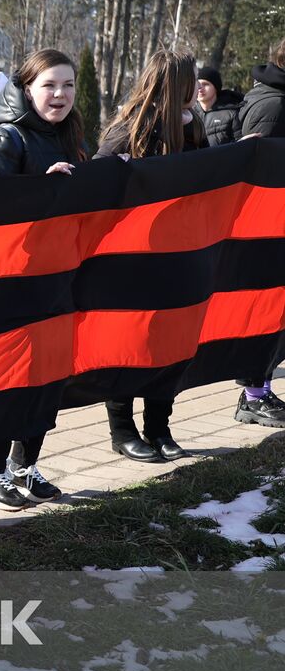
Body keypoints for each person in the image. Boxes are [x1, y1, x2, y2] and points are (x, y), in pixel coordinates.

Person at [0, 49, 83, 508]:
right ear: (27, 88)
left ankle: (25, 466)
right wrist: (41, 190)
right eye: (49, 85)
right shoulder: (2, 141)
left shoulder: (69, 139)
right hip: (12, 289)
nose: (60, 95)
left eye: (68, 85)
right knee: (12, 379)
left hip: (58, 281)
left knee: (48, 378)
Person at [94, 50, 208, 462]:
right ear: (173, 84)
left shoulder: (193, 125)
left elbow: (207, 175)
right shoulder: (130, 128)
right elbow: (100, 180)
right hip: (133, 258)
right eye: (191, 80)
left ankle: (159, 427)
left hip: (179, 255)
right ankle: (122, 430)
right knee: (132, 341)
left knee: (170, 342)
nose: (197, 88)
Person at [229, 38, 285, 427]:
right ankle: (253, 395)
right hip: (265, 229)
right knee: (265, 313)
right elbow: (257, 171)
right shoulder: (274, 104)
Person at [195, 65, 243, 147]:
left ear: (216, 87)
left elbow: (239, 145)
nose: (200, 88)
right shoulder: (189, 114)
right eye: (197, 84)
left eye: (205, 84)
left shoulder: (231, 113)